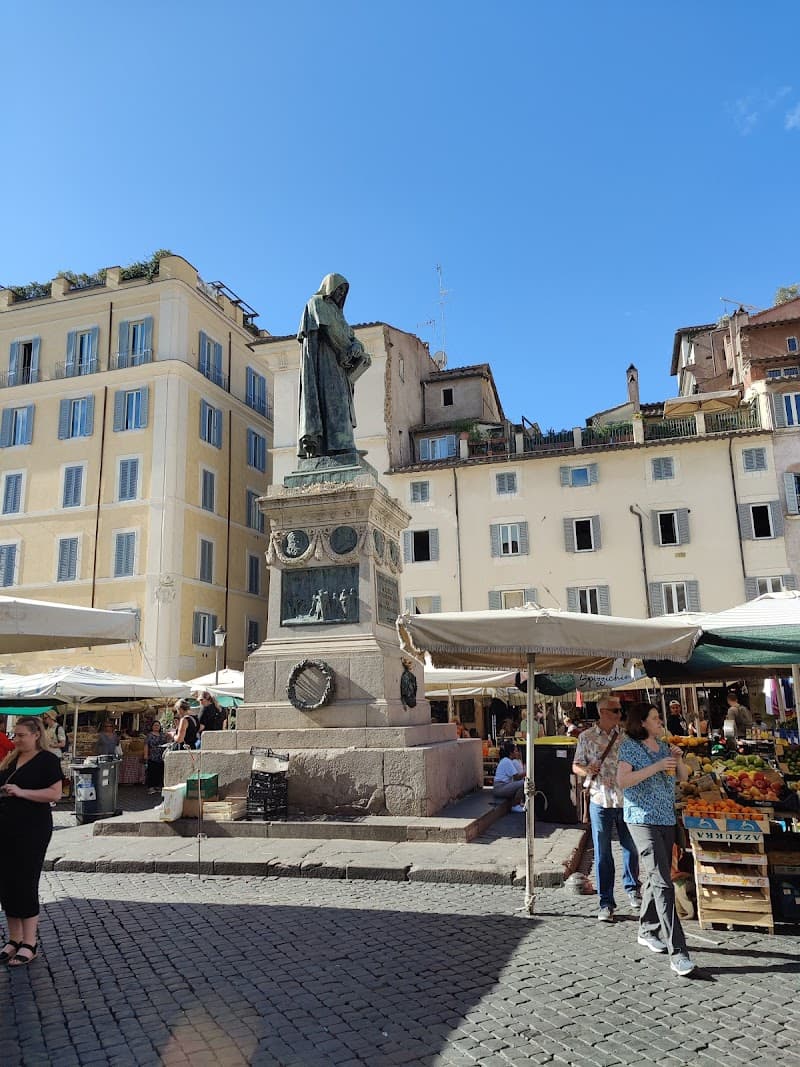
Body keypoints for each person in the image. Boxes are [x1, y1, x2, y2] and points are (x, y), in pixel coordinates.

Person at [617, 703, 697, 977]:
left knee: (656, 876)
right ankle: (679, 953)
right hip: (641, 819)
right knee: (663, 882)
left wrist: (678, 759)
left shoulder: (663, 746)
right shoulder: (629, 747)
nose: (660, 721)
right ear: (642, 722)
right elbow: (623, 781)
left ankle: (646, 928)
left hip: (666, 818)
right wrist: (657, 766)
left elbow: (683, 777)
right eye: (655, 717)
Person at [0, 716, 63, 966]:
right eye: (14, 735)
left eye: (21, 735)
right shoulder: (11, 759)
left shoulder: (48, 760)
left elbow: (55, 794)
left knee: (25, 881)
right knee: (6, 883)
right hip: (6, 827)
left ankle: (29, 942)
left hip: (32, 829)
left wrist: (22, 792)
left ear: (36, 735)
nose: (16, 739)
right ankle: (13, 939)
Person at [573, 697, 640, 922]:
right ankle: (606, 902)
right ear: (602, 712)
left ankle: (633, 889)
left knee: (631, 848)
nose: (620, 714)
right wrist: (587, 770)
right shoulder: (586, 737)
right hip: (600, 800)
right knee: (602, 853)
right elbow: (576, 765)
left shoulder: (626, 736)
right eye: (616, 710)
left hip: (626, 799)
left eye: (621, 710)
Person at [296, 273, 372, 458]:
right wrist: (348, 349)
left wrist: (357, 347)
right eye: (339, 288)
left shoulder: (338, 314)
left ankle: (343, 445)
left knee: (341, 402)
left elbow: (351, 336)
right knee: (334, 401)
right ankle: (340, 447)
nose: (341, 293)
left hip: (339, 365)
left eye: (344, 291)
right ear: (330, 286)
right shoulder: (317, 303)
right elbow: (330, 331)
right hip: (324, 361)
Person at [492, 742, 526, 812]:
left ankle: (518, 803)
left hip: (502, 787)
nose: (517, 753)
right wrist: (527, 772)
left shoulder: (506, 760)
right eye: (515, 751)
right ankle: (515, 805)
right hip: (500, 788)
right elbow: (517, 777)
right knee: (524, 783)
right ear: (511, 753)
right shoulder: (507, 761)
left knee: (521, 783)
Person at [144, 722, 166, 795]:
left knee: (159, 772)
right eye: (155, 725)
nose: (156, 727)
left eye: (158, 725)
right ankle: (151, 787)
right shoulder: (149, 735)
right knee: (152, 772)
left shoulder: (162, 735)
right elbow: (146, 745)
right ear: (152, 726)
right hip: (152, 756)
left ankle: (158, 786)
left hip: (161, 756)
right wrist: (145, 755)